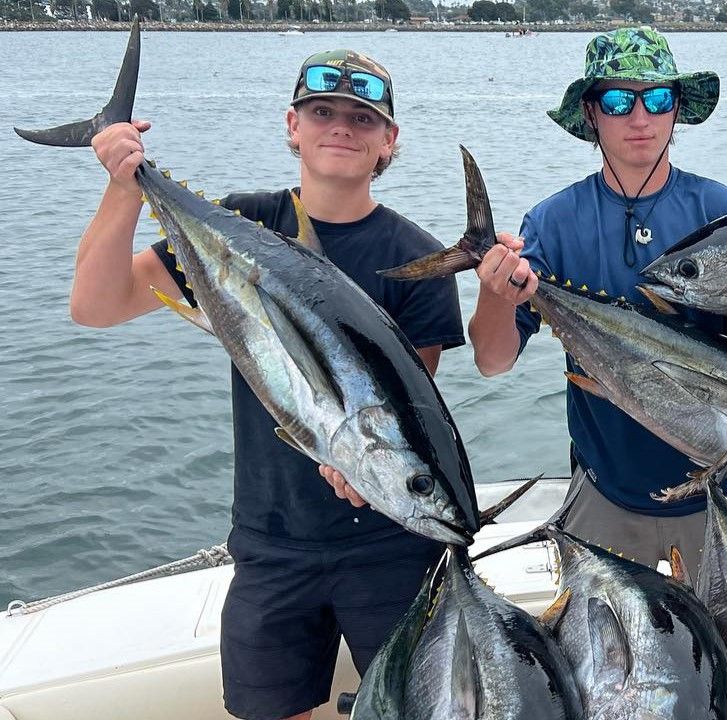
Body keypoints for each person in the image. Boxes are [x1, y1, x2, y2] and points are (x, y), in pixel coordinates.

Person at [72, 50, 463, 720]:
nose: (340, 127)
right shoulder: (241, 223)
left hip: (390, 550)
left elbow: (402, 413)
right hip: (271, 540)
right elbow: (96, 305)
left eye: (362, 118)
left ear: (388, 140)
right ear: (293, 125)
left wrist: (364, 473)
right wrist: (124, 185)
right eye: (322, 112)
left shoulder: (419, 261)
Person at [466, 27, 727, 569]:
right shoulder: (553, 222)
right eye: (619, 100)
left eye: (657, 98)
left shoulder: (724, 213)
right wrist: (495, 294)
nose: (640, 117)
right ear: (591, 113)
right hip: (603, 500)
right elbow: (492, 361)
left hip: (723, 505)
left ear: (676, 110)